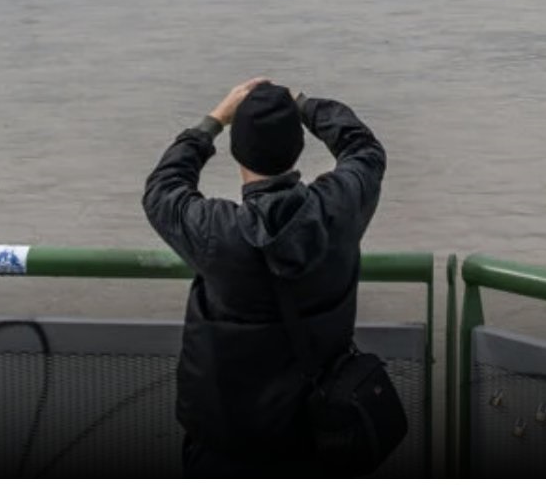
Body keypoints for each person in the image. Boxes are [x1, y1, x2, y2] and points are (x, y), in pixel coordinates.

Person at [142, 77, 386, 475]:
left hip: (227, 443)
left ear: (238, 152)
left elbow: (162, 190)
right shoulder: (337, 212)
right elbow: (364, 148)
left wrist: (214, 121)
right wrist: (303, 104)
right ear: (299, 146)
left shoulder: (216, 233)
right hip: (322, 434)